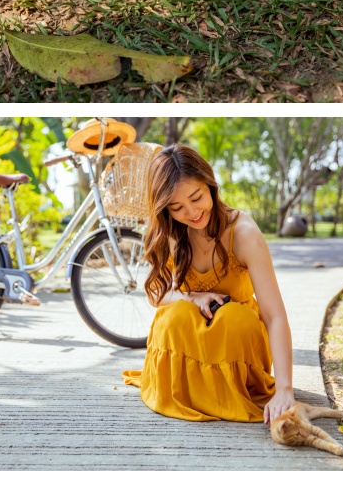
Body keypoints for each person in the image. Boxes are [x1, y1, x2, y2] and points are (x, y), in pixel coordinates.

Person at [123, 144, 295, 427]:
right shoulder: (171, 232)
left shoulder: (243, 234)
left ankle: (221, 389)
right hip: (190, 342)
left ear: (209, 183)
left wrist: (285, 389)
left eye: (196, 197)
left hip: (234, 344)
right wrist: (192, 297)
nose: (191, 213)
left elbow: (275, 316)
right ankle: (186, 389)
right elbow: (158, 295)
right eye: (177, 207)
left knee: (233, 317)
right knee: (174, 315)